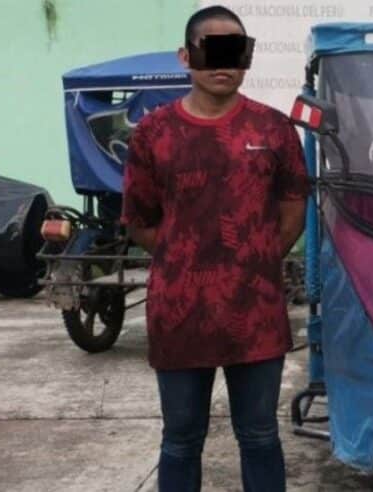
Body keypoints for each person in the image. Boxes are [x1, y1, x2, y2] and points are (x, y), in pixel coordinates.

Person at [121, 5, 308, 491]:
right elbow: (140, 221)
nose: (224, 64)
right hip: (180, 314)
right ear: (186, 56)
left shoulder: (273, 130)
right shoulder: (154, 134)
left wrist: (250, 259)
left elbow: (292, 213)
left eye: (235, 51)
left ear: (247, 58)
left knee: (261, 436)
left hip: (256, 314)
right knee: (181, 439)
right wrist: (188, 257)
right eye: (211, 51)